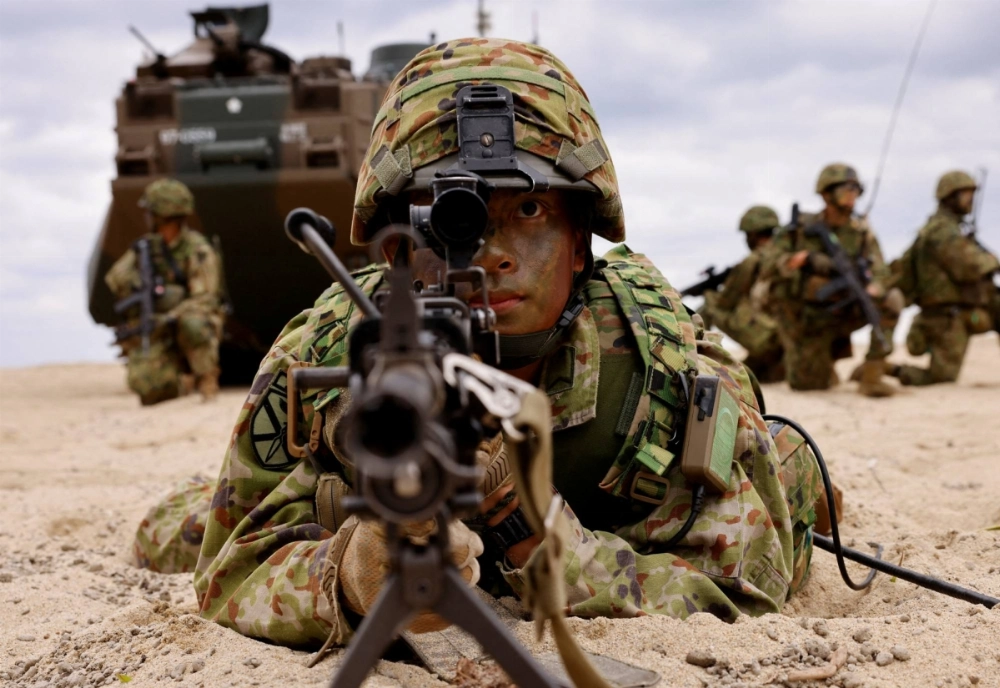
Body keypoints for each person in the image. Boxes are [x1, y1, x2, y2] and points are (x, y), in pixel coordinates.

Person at [133, 39, 827, 649]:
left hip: (609, 518)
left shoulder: (655, 370)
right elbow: (231, 567)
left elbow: (743, 577)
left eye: (529, 209)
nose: (490, 255)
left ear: (581, 238)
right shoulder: (329, 348)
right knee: (168, 532)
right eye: (446, 218)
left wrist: (537, 536)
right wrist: (350, 574)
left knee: (802, 485)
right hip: (358, 497)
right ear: (396, 245)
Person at [760, 164, 903, 397]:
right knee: (808, 385)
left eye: (856, 190)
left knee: (893, 299)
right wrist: (803, 260)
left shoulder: (861, 233)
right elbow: (769, 264)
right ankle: (824, 362)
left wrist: (875, 286)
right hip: (806, 319)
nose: (851, 196)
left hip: (847, 308)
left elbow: (881, 270)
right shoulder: (802, 229)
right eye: (845, 189)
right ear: (826, 194)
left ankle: (871, 375)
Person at [105, 178, 224, 404]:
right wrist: (138, 285)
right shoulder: (146, 247)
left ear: (161, 215)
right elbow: (115, 277)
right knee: (148, 390)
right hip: (157, 320)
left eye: (150, 211)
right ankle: (180, 382)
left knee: (193, 324)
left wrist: (169, 317)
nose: (147, 216)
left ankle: (207, 381)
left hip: (188, 318)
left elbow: (205, 298)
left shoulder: (198, 249)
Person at [889, 170, 999, 385]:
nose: (970, 201)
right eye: (965, 194)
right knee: (941, 378)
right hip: (946, 314)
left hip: (962, 309)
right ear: (950, 196)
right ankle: (890, 369)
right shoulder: (942, 231)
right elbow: (969, 268)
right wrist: (992, 261)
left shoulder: (951, 228)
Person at [699, 205, 785, 383]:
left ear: (752, 234)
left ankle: (693, 358)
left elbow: (725, 302)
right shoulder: (785, 255)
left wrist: (708, 293)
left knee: (709, 305)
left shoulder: (753, 261)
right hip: (786, 333)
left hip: (767, 337)